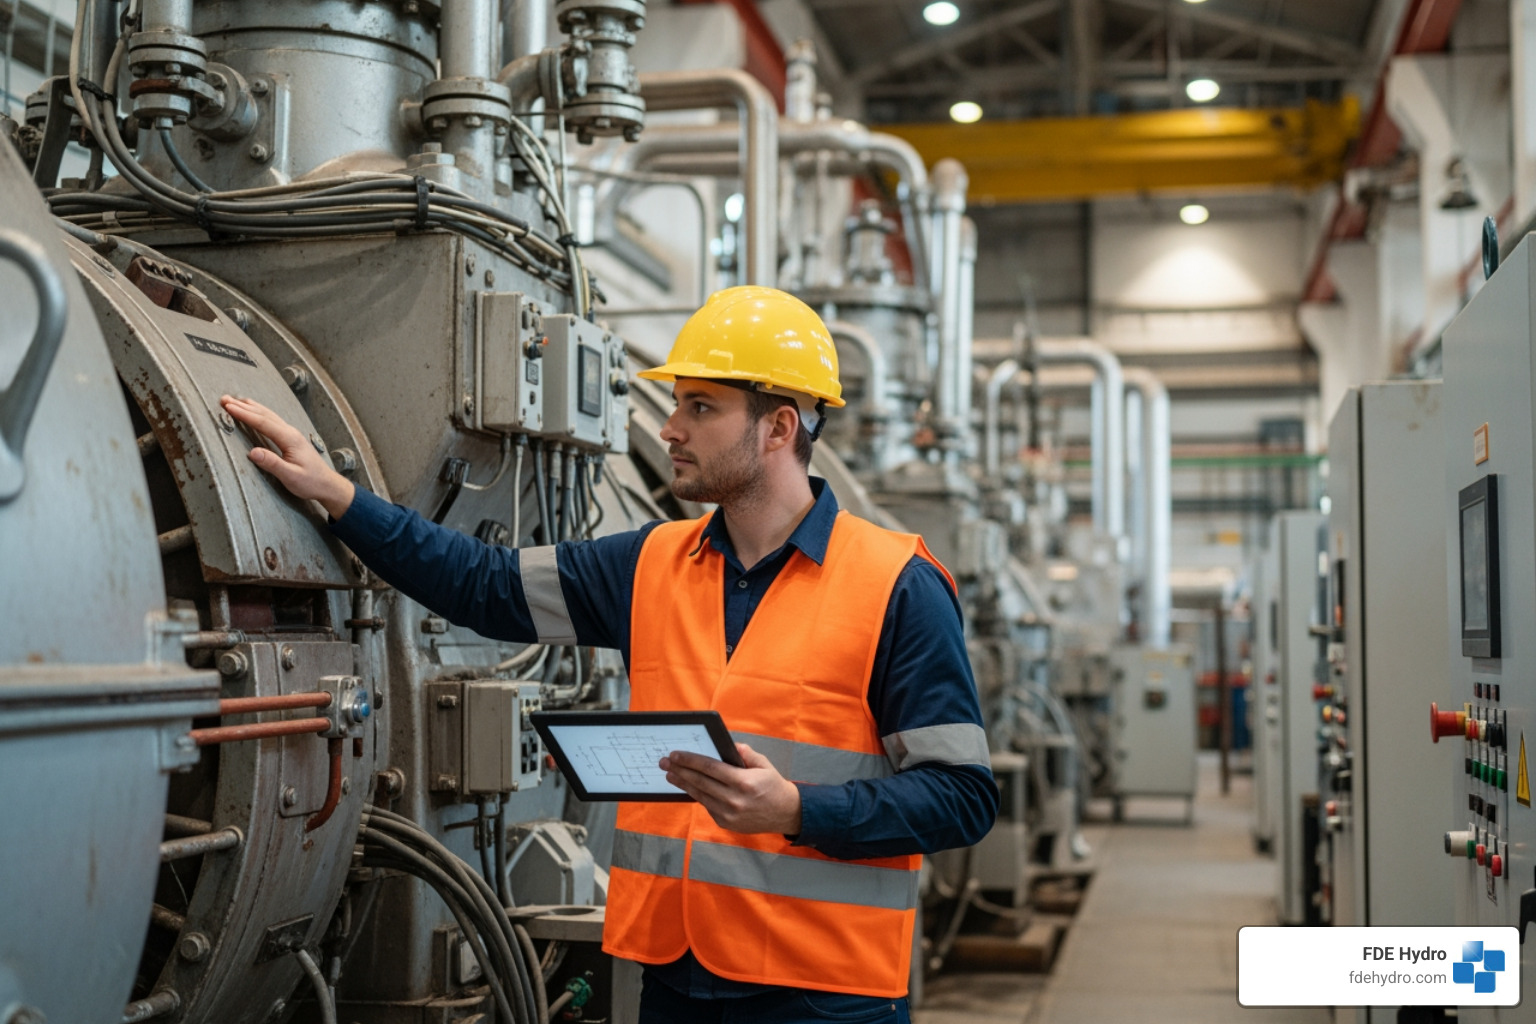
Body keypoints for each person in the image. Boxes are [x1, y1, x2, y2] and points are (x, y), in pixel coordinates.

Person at [221, 285, 998, 1024]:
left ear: (780, 427)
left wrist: (797, 810)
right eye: (677, 403)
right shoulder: (652, 562)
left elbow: (961, 797)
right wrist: (341, 497)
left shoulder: (897, 584)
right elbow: (483, 585)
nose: (670, 428)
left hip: (824, 991)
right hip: (675, 974)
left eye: (701, 407)